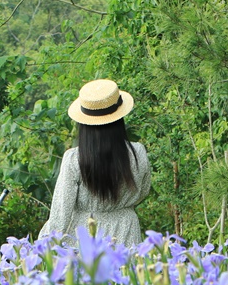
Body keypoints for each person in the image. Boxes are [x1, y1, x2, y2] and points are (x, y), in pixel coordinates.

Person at [38, 79, 151, 247]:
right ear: (119, 118)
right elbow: (142, 192)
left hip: (86, 235)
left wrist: (43, 245)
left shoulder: (74, 160)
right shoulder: (137, 153)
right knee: (126, 272)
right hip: (126, 232)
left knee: (90, 274)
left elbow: (61, 213)